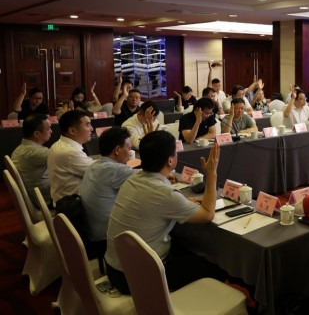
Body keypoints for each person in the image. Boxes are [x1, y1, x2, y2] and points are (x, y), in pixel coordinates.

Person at [104, 131, 224, 294]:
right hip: (136, 278)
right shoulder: (164, 193)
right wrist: (212, 173)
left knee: (184, 247)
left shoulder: (132, 179)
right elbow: (208, 214)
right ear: (170, 160)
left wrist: (183, 203)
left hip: (114, 267)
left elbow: (156, 203)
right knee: (213, 266)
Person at [80, 127, 135, 245]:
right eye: (129, 148)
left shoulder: (94, 165)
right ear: (117, 150)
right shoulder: (115, 170)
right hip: (105, 238)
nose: (130, 153)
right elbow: (150, 177)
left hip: (90, 230)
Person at [47, 110, 94, 204]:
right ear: (72, 131)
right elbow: (99, 172)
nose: (91, 129)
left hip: (65, 201)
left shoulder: (60, 144)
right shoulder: (70, 152)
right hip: (73, 206)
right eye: (87, 125)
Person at [11, 114, 53, 207]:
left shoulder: (19, 149)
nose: (51, 131)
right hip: (44, 200)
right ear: (37, 134)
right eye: (48, 129)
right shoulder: (36, 152)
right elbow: (65, 157)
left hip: (37, 195)